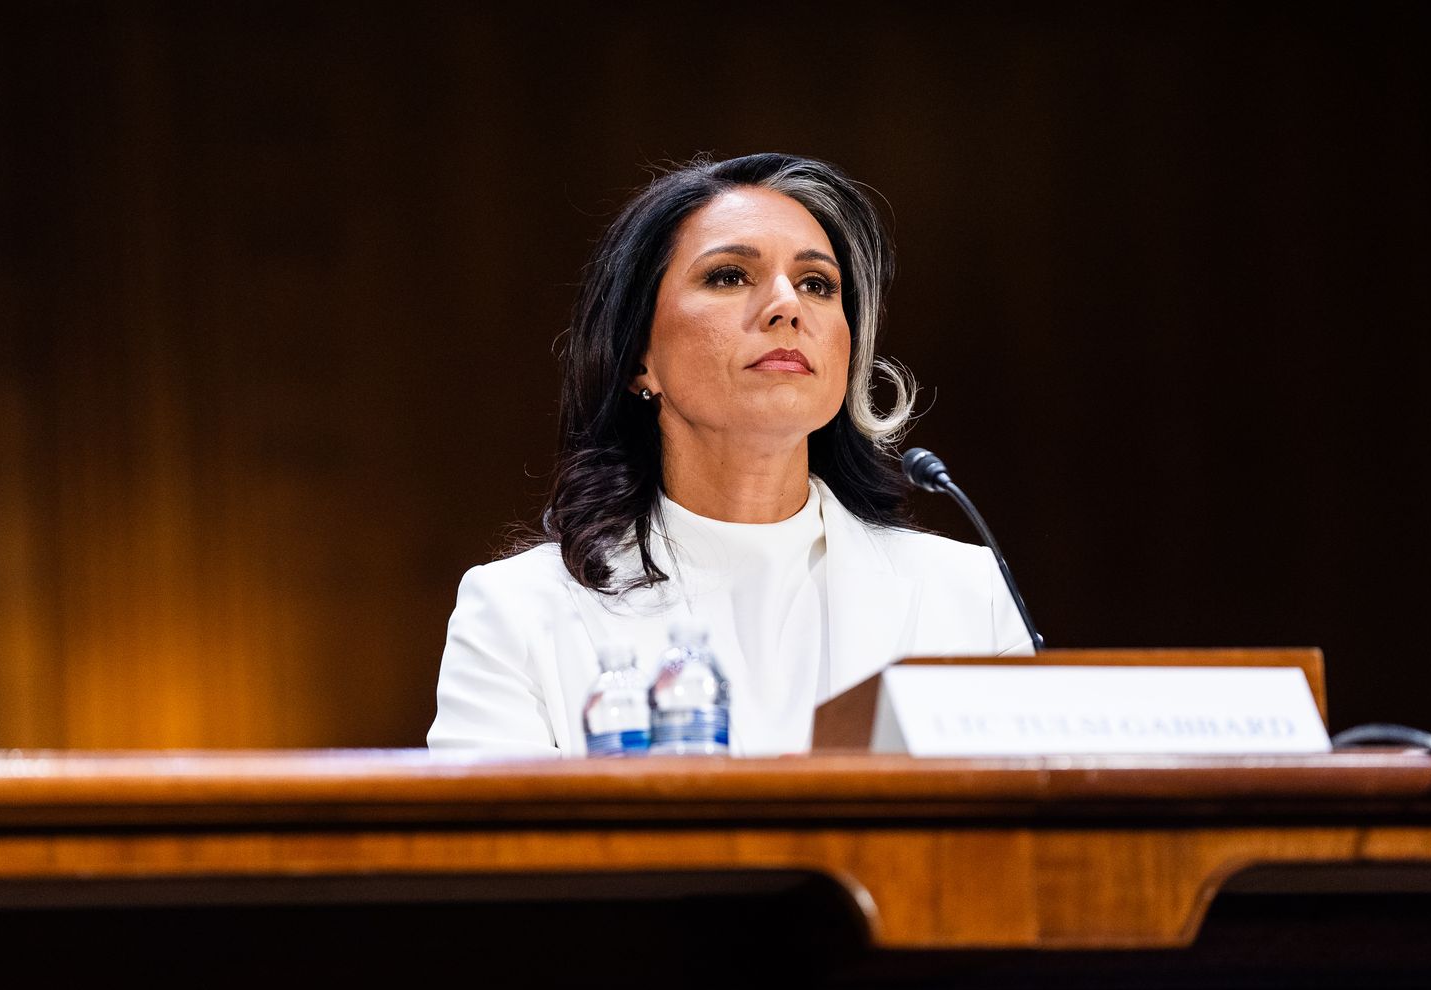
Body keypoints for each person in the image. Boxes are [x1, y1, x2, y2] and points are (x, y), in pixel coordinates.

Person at [428, 153, 1033, 756]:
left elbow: (1032, 840)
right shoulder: (517, 613)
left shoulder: (962, 594)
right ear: (639, 355)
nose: (786, 305)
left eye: (817, 285)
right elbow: (491, 848)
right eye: (728, 276)